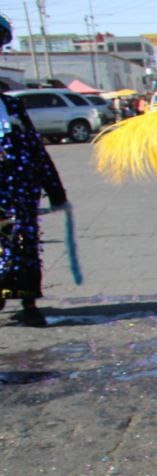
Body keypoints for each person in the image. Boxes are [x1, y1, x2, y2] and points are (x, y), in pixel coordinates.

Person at [0, 25, 69, 328]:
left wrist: (55, 189)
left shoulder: (12, 105)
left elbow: (36, 150)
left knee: (25, 246)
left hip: (21, 196)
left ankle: (28, 302)